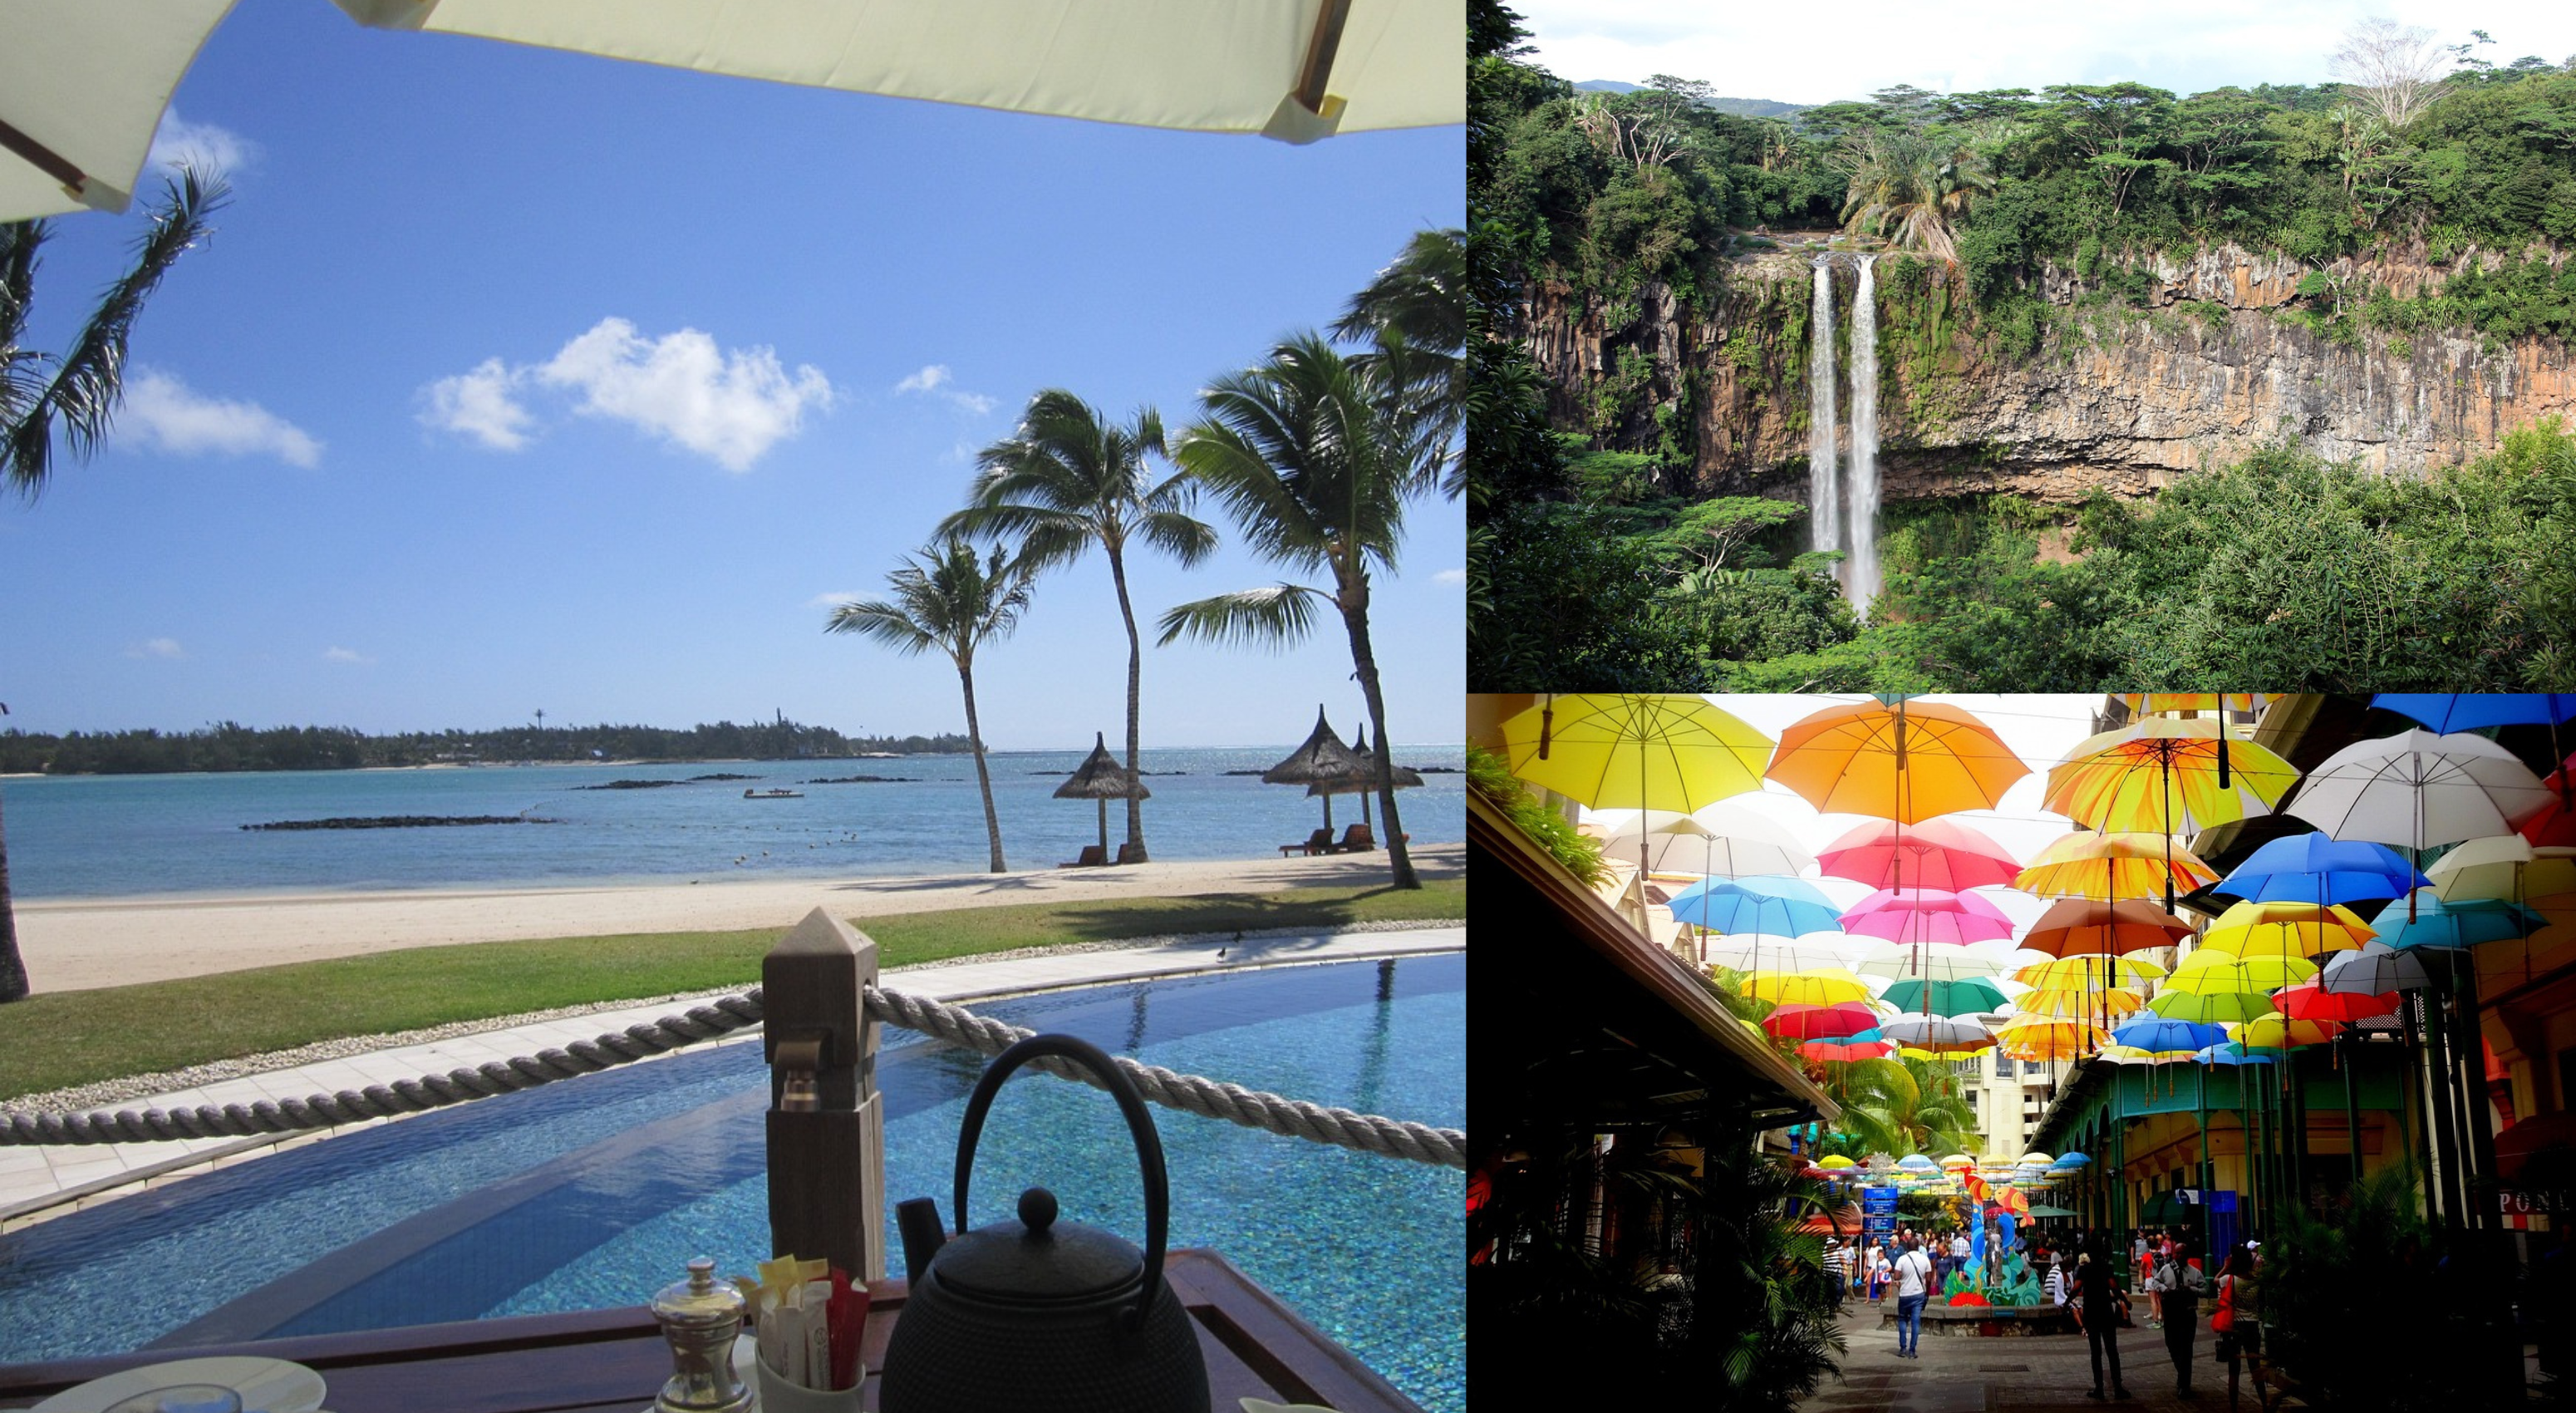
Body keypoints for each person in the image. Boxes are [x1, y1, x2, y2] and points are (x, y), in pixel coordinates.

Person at [2073, 1229, 2132, 1401]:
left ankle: (2099, 1387)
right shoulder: (2106, 1267)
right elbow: (2114, 1287)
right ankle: (2118, 1387)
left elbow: (2076, 1288)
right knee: (2112, 1350)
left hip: (2091, 1311)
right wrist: (2125, 1302)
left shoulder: (2084, 1269)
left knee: (2095, 1352)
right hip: (2106, 1311)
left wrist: (2066, 1301)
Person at [2150, 1233, 2209, 1396]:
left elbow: (2206, 1290)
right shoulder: (2166, 1270)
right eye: (2177, 1253)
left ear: (2187, 1255)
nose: (2179, 1256)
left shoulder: (2195, 1273)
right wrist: (2164, 1289)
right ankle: (2181, 1373)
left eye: (2182, 1253)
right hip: (2171, 1313)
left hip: (2188, 1314)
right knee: (2172, 1345)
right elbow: (2155, 1281)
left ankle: (2184, 1384)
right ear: (2173, 1254)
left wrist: (2192, 1290)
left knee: (2186, 1349)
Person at [2212, 1243, 2264, 1412]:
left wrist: (2225, 1267)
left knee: (2234, 1370)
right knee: (2255, 1366)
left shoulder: (2230, 1280)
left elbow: (2215, 1281)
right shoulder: (2256, 1282)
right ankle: (2264, 1403)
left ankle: (2234, 1407)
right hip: (2253, 1325)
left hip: (2235, 1326)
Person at [1892, 1233, 1935, 1360]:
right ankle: (1912, 1350)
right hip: (1918, 1295)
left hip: (1905, 1294)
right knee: (1916, 1322)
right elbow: (1928, 1279)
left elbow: (1896, 1276)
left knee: (1902, 1320)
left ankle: (1902, 1348)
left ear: (1908, 1247)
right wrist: (1926, 1293)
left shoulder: (1902, 1259)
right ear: (1918, 1246)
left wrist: (1903, 1281)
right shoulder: (1925, 1259)